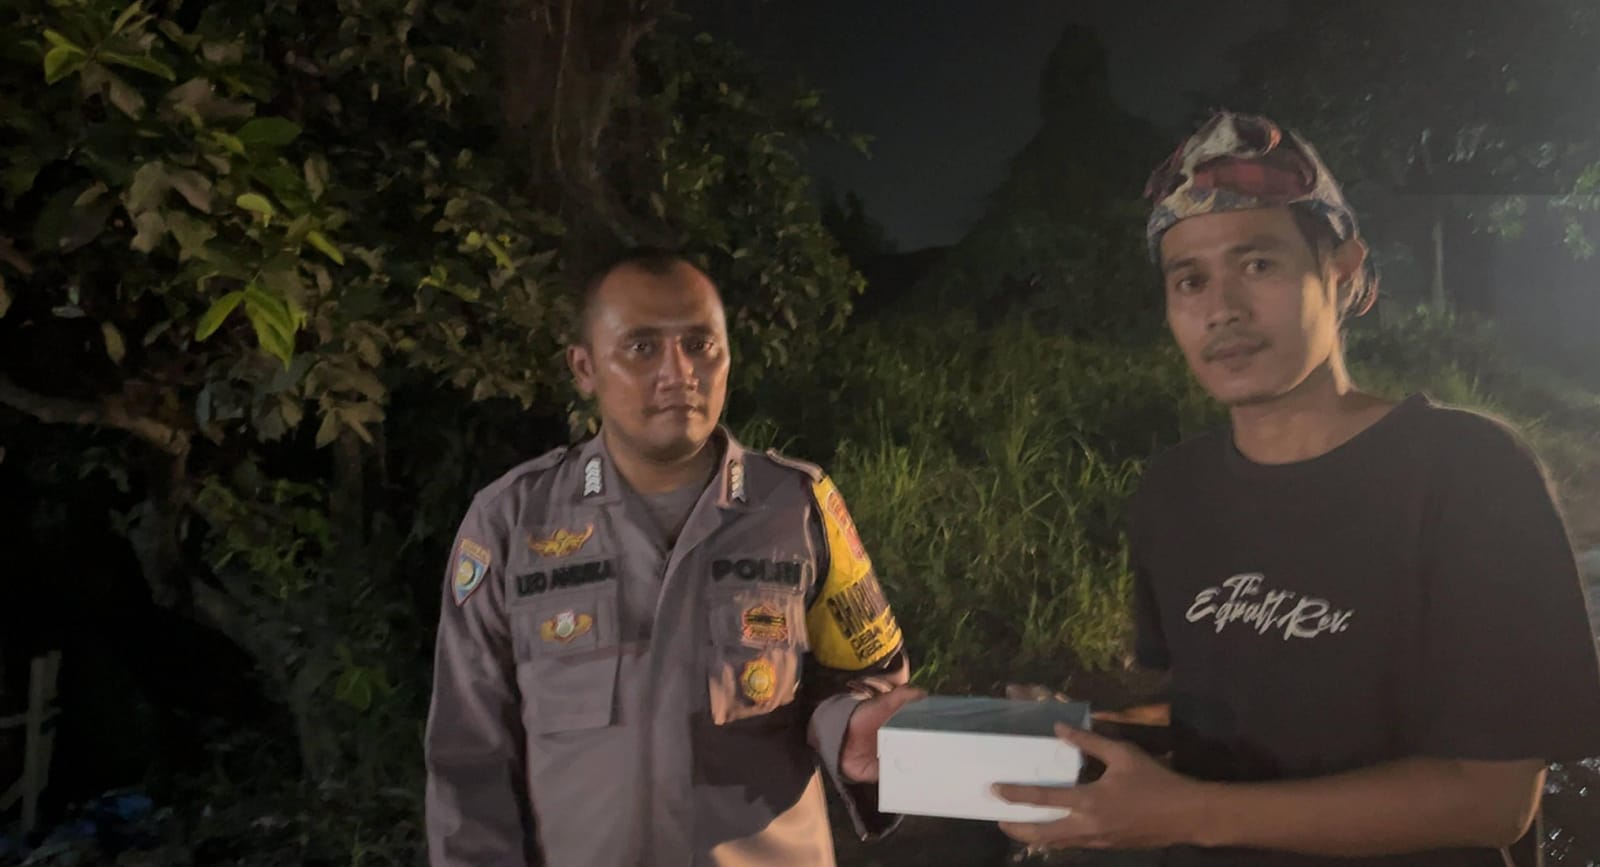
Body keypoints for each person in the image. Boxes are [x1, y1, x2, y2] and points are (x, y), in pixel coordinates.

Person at [993, 111, 1600, 865]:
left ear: (1342, 273)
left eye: (1258, 265)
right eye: (1190, 280)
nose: (1222, 308)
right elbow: (1217, 706)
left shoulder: (1466, 472)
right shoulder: (1175, 490)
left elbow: (1493, 800)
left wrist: (1185, 812)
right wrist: (1078, 728)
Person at [423, 248, 924, 865]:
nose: (678, 372)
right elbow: (469, 757)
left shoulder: (799, 506)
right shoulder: (511, 521)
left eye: (699, 345)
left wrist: (850, 722)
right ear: (584, 367)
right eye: (642, 347)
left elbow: (870, 674)